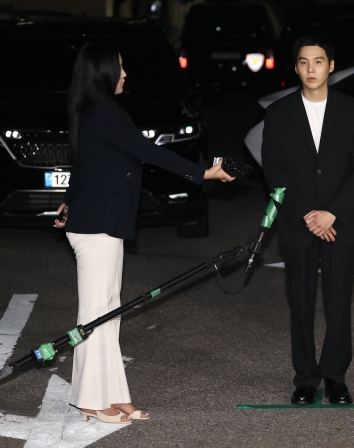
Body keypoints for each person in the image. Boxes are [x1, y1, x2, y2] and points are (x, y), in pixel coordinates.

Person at [54, 42, 235, 423]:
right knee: (97, 312)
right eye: (119, 67)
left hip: (101, 219)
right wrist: (201, 174)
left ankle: (114, 393)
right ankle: (89, 398)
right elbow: (148, 151)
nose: (124, 74)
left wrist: (69, 200)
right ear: (102, 72)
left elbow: (85, 163)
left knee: (109, 311)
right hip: (97, 224)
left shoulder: (98, 112)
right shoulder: (104, 115)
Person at [261, 36, 354, 405]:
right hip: (298, 222)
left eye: (319, 62)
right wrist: (307, 213)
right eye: (304, 62)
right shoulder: (278, 113)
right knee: (301, 305)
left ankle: (336, 377)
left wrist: (332, 212)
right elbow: (273, 169)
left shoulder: (353, 109)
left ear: (331, 66)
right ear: (295, 67)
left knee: (339, 305)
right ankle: (306, 379)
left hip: (341, 221)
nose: (311, 69)